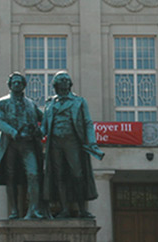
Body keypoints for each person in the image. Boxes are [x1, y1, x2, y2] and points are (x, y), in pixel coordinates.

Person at [41, 71, 104, 218]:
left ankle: (82, 209)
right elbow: (44, 126)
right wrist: (37, 132)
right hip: (55, 143)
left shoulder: (79, 101)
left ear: (70, 84)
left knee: (77, 175)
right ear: (55, 85)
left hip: (72, 142)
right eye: (60, 80)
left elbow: (88, 122)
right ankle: (64, 209)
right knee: (59, 176)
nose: (63, 82)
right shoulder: (50, 103)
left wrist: (92, 142)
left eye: (66, 80)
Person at [0, 72, 44, 219]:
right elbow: (0, 122)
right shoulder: (1, 103)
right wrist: (14, 132)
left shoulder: (30, 104)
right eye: (14, 82)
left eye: (19, 83)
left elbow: (44, 118)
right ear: (10, 85)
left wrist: (40, 131)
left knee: (33, 174)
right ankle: (14, 210)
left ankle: (33, 209)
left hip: (28, 144)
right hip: (10, 144)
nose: (17, 85)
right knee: (11, 177)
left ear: (23, 85)